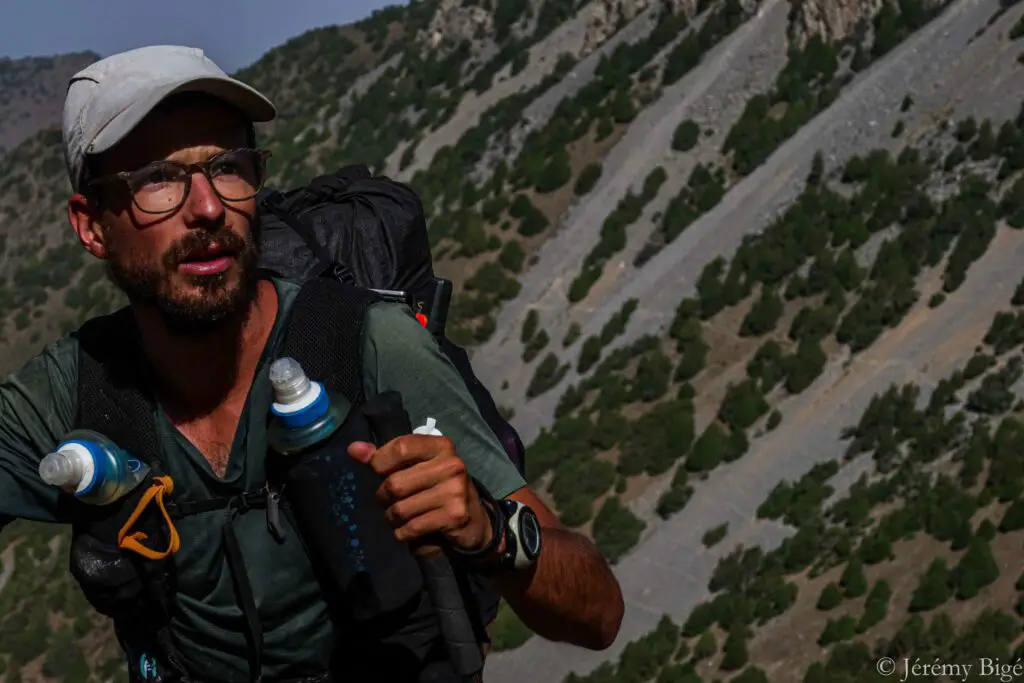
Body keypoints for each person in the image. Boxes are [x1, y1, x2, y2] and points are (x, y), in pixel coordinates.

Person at [0, 45, 624, 683]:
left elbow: (598, 614)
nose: (209, 208)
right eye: (158, 179)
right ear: (91, 226)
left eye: (229, 167)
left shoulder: (366, 346)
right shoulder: (78, 388)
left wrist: (489, 531)